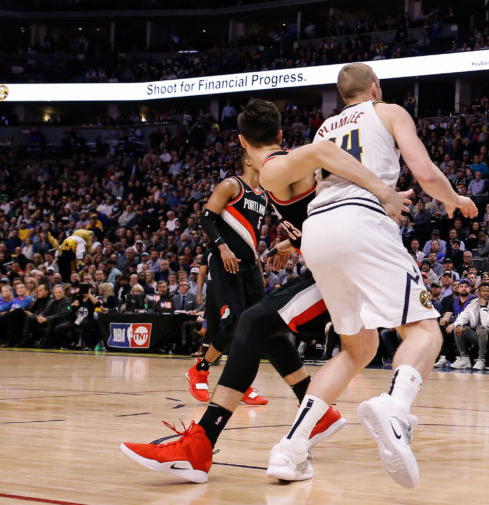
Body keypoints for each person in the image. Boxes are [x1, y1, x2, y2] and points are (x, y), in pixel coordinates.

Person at [120, 98, 410, 484]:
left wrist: (383, 192)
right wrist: (291, 244)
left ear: (241, 140)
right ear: (277, 132)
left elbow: (328, 170)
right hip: (343, 263)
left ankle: (201, 440)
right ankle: (313, 415)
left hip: (349, 268)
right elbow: (322, 210)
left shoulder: (282, 167)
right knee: (261, 325)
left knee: (253, 323)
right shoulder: (279, 179)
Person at [266, 63, 477, 488]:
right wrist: (455, 199)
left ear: (344, 96)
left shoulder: (323, 129)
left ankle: (290, 449)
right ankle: (396, 410)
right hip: (361, 219)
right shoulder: (390, 111)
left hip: (317, 230)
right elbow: (424, 173)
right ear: (375, 89)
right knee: (424, 331)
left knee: (356, 348)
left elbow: (298, 187)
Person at [186, 152, 271, 406]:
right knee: (232, 322)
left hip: (250, 266)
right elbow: (206, 218)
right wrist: (222, 247)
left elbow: (251, 235)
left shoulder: (264, 195)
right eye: (260, 156)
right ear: (247, 161)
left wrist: (258, 266)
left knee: (256, 326)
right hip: (224, 263)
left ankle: (240, 383)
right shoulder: (232, 185)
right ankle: (200, 369)